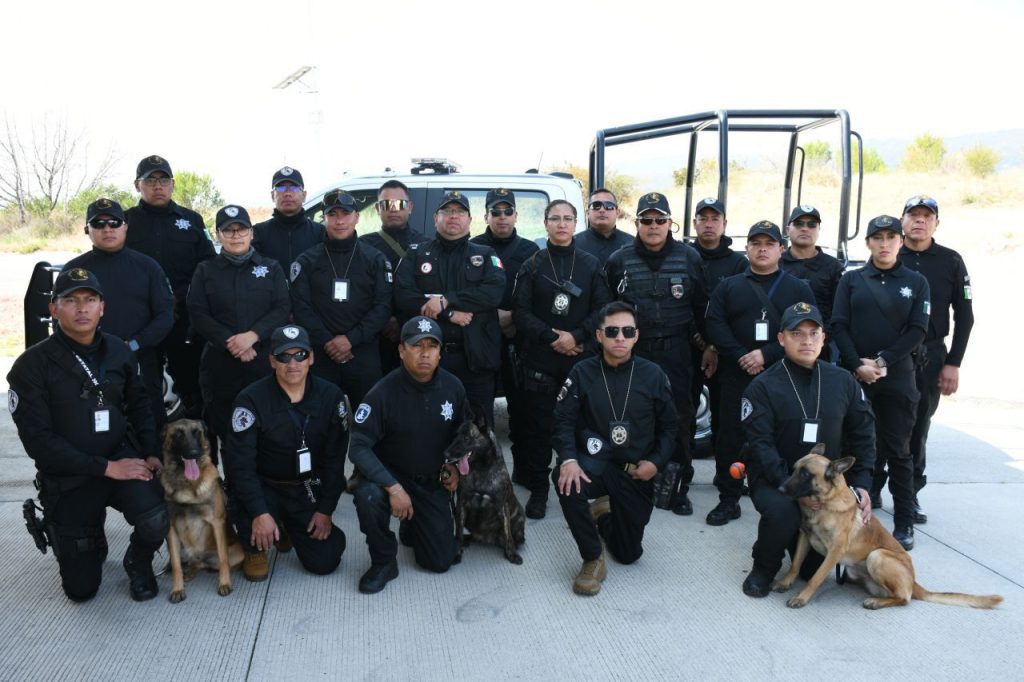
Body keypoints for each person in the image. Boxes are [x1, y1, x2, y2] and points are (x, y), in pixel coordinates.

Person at [7, 268, 168, 602]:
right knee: (82, 590)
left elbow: (141, 406)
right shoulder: (31, 366)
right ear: (54, 309)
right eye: (71, 300)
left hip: (119, 456)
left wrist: (151, 452)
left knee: (155, 519)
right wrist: (106, 468)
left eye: (89, 300)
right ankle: (88, 536)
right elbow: (39, 443)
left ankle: (138, 562)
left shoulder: (119, 352)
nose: (82, 308)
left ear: (102, 308)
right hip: (70, 475)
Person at [739, 302, 876, 597]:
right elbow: (761, 446)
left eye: (814, 333)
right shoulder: (762, 386)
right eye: (797, 333)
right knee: (783, 513)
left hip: (825, 485)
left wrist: (863, 484)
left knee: (813, 572)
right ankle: (763, 565)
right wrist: (797, 492)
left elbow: (864, 435)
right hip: (775, 478)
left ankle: (784, 542)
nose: (807, 341)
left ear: (824, 338)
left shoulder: (843, 381)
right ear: (781, 338)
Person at [551, 302, 678, 596]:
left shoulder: (653, 375)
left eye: (627, 331)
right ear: (599, 335)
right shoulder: (582, 372)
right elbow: (563, 422)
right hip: (596, 464)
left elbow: (671, 427)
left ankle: (605, 515)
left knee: (629, 554)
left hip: (636, 471)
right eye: (612, 331)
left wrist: (656, 463)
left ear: (636, 336)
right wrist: (569, 459)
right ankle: (592, 558)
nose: (619, 337)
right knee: (566, 480)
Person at [705, 220, 816, 526]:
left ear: (782, 249)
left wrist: (766, 354)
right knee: (729, 436)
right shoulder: (729, 286)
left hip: (782, 376)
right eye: (756, 243)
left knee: (783, 437)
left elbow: (807, 331)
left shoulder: (798, 288)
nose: (762, 249)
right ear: (747, 249)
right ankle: (728, 499)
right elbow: (715, 324)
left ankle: (786, 496)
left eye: (769, 244)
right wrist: (741, 355)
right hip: (736, 374)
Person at [605, 192, 708, 516]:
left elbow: (701, 308)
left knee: (678, 418)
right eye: (646, 220)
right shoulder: (618, 260)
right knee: (633, 415)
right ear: (636, 223)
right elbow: (607, 309)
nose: (653, 226)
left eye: (660, 220)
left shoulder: (689, 258)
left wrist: (708, 346)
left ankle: (678, 487)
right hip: (635, 351)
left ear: (670, 223)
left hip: (677, 350)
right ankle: (635, 481)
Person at [832, 215, 930, 550]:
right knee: (852, 450)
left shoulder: (916, 282)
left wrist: (883, 361)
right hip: (856, 377)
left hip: (898, 379)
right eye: (878, 237)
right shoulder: (852, 280)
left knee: (900, 452)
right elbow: (838, 325)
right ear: (869, 243)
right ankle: (847, 518)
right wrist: (857, 364)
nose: (885, 243)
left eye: (891, 237)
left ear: (900, 242)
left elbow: (918, 330)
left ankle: (903, 523)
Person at [348, 316, 466, 594]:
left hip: (429, 479)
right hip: (390, 478)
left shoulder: (454, 388)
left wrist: (457, 467)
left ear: (440, 352)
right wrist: (393, 487)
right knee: (368, 497)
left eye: (431, 346)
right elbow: (358, 446)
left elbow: (463, 436)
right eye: (416, 346)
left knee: (440, 562)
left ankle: (413, 526)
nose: (424, 353)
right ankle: (384, 561)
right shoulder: (382, 393)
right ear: (401, 350)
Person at [225, 325, 348, 581]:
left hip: (305, 485)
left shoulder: (331, 396)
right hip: (264, 485)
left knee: (325, 561)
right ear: (272, 361)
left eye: (300, 355)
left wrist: (325, 510)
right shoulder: (250, 400)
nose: (293, 363)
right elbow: (240, 466)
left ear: (311, 358)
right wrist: (259, 512)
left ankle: (288, 526)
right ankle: (255, 544)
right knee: (246, 510)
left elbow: (335, 461)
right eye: (284, 356)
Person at [512, 199, 609, 518]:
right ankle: (539, 491)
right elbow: (521, 313)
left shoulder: (591, 264)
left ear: (576, 223)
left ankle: (581, 489)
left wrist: (576, 337)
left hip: (580, 360)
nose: (562, 224)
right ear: (545, 223)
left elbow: (602, 310)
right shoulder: (533, 264)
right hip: (541, 359)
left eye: (568, 218)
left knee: (582, 426)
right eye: (555, 218)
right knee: (539, 429)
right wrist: (554, 337)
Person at [393, 191, 505, 423]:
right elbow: (403, 295)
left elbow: (493, 293)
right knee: (428, 427)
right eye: (447, 211)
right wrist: (449, 313)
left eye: (460, 212)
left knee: (479, 432)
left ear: (470, 219)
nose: (454, 217)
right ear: (436, 218)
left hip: (475, 360)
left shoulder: (485, 255)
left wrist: (446, 299)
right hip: (429, 360)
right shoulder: (417, 253)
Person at [64, 198, 174, 428]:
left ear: (125, 226)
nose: (107, 229)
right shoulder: (74, 272)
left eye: (114, 223)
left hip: (140, 360)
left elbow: (165, 316)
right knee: (92, 429)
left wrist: (133, 345)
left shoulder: (148, 267)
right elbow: (63, 319)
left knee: (149, 430)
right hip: (90, 362)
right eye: (99, 224)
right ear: (87, 230)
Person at [187, 205, 290, 448]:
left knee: (268, 428)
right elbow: (198, 312)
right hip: (221, 363)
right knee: (227, 431)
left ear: (251, 233)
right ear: (218, 235)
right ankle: (233, 483)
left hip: (263, 360)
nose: (236, 235)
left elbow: (282, 308)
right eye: (228, 230)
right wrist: (231, 342)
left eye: (241, 229)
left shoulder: (271, 268)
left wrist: (253, 336)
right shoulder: (205, 270)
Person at [898, 195, 974, 524]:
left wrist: (953, 363)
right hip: (890, 355)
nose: (919, 220)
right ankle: (870, 488)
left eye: (926, 216)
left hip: (930, 354)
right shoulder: (888, 254)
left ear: (936, 223)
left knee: (918, 427)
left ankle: (910, 493)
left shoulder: (951, 261)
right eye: (912, 215)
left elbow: (966, 317)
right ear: (902, 221)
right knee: (876, 423)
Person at [124, 154, 215, 419]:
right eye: (150, 180)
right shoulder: (125, 222)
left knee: (191, 384)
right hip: (142, 319)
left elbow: (207, 265)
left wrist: (182, 296)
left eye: (164, 180)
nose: (158, 186)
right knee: (144, 388)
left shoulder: (192, 221)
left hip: (184, 318)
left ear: (173, 184)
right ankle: (150, 449)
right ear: (137, 185)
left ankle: (197, 451)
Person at [290, 189, 392, 407]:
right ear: (324, 218)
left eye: (345, 214)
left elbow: (382, 307)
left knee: (367, 420)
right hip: (320, 355)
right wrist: (328, 341)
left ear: (356, 217)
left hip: (363, 355)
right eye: (332, 214)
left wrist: (350, 340)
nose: (339, 221)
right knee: (321, 420)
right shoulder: (307, 260)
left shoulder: (375, 259)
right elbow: (301, 307)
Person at [471, 188, 539, 488]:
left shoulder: (530, 250)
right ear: (486, 215)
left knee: (522, 412)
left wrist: (512, 317)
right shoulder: (472, 247)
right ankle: (481, 474)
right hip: (481, 338)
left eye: (507, 211)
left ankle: (524, 473)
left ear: (516, 215)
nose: (501, 217)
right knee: (480, 414)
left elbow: (539, 295)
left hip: (519, 340)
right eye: (495, 212)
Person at [689, 197, 746, 459]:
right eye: (703, 219)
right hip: (687, 347)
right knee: (681, 414)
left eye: (715, 219)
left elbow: (739, 310)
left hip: (725, 351)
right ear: (694, 223)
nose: (709, 224)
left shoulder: (738, 264)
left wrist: (713, 344)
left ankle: (727, 475)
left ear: (724, 224)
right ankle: (680, 477)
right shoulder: (683, 256)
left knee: (726, 417)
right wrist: (697, 338)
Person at [361, 180, 427, 374]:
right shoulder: (363, 246)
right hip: (373, 337)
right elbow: (359, 291)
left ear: (410, 207)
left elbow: (428, 291)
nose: (393, 210)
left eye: (399, 204)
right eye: (386, 204)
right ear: (377, 208)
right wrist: (382, 321)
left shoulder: (426, 246)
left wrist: (400, 320)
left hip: (416, 333)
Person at [780, 205, 844, 360]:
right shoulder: (776, 264)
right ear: (788, 230)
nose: (805, 229)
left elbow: (838, 312)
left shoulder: (833, 266)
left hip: (818, 348)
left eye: (811, 225)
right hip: (778, 348)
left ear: (818, 230)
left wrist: (819, 340)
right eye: (799, 224)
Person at [252, 166, 324, 275]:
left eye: (294, 188)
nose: (287, 193)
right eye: (281, 188)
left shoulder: (320, 233)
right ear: (272, 196)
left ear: (304, 195)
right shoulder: (258, 233)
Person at [575, 188, 633, 264]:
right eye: (596, 206)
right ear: (588, 213)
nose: (602, 210)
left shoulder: (632, 244)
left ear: (617, 212)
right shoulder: (573, 244)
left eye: (609, 206)